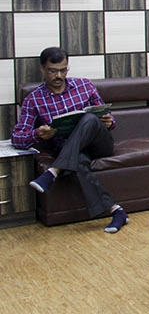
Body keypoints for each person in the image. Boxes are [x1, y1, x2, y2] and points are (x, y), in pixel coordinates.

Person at [11, 47, 129, 233]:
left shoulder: (84, 85)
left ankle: (54, 171)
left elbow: (107, 116)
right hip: (69, 148)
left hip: (99, 144)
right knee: (77, 161)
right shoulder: (33, 100)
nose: (59, 76)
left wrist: (109, 121)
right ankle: (117, 211)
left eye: (63, 70)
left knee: (89, 118)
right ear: (42, 68)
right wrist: (37, 134)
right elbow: (17, 138)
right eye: (53, 71)